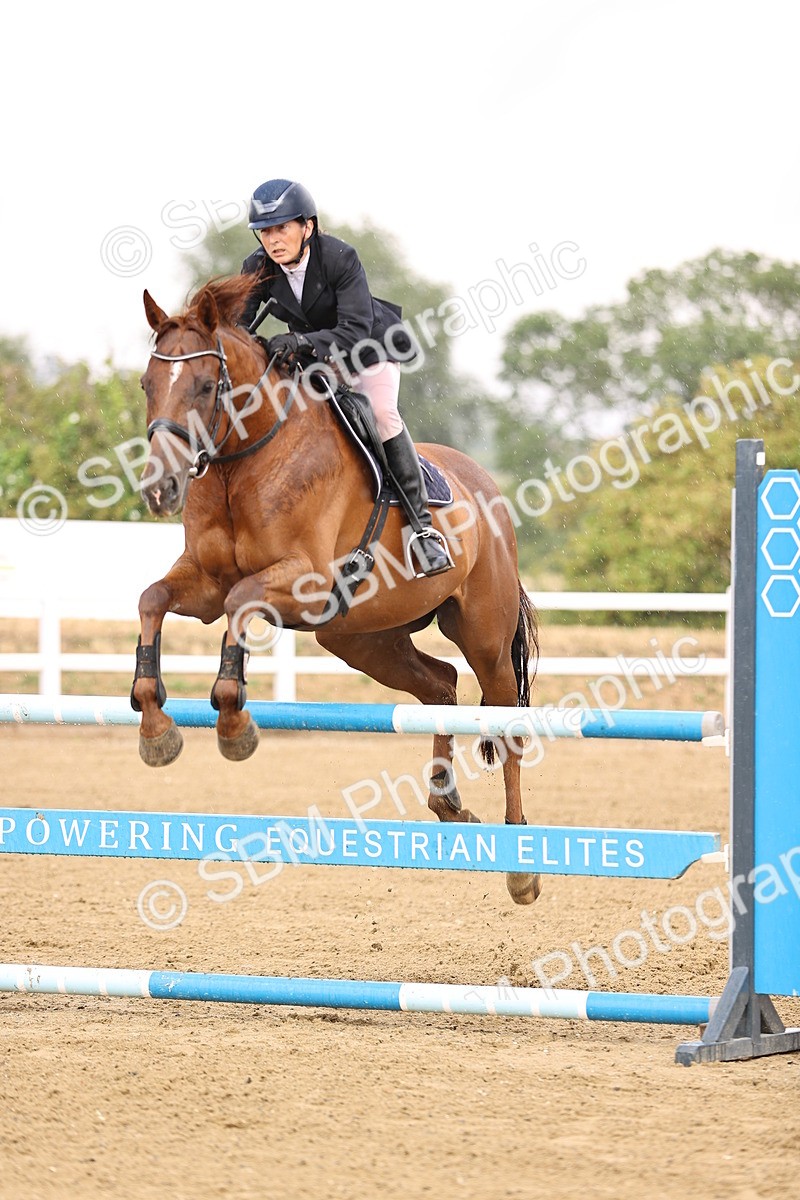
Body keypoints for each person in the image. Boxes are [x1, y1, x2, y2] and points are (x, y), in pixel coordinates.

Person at [239, 178, 453, 578]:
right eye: (264, 231)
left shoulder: (339, 257)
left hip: (368, 347)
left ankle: (423, 531)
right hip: (313, 358)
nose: (273, 239)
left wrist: (299, 339)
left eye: (281, 227)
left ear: (308, 226)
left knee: (381, 413)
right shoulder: (257, 268)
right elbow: (240, 324)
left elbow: (355, 329)